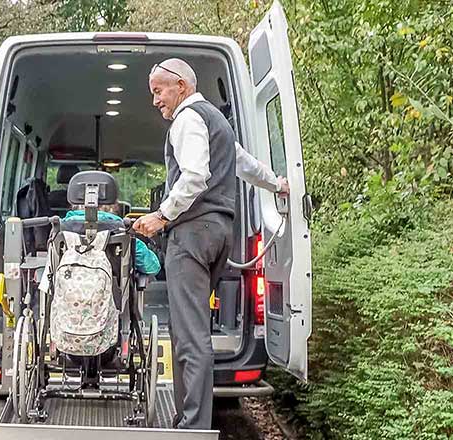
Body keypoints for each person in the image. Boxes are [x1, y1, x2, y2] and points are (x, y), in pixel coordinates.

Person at [132, 58, 288, 430]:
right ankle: (190, 418)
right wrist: (278, 184)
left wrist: (161, 216)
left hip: (192, 234)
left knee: (189, 335)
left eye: (158, 91)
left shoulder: (187, 119)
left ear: (181, 86)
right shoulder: (217, 120)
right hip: (221, 233)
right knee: (196, 326)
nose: (155, 101)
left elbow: (195, 177)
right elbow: (244, 164)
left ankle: (192, 427)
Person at [64, 204, 161, 275]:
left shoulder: (60, 231)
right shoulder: (122, 233)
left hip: (62, 299)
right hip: (113, 300)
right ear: (113, 206)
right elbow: (152, 267)